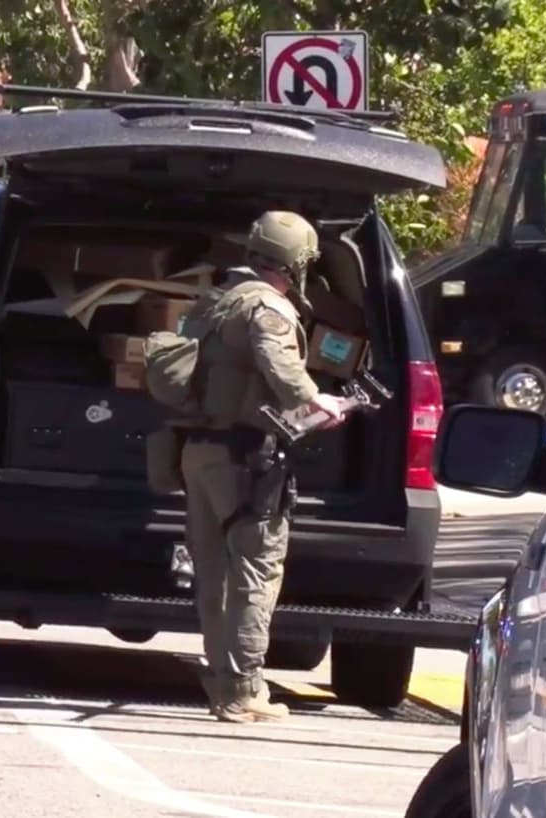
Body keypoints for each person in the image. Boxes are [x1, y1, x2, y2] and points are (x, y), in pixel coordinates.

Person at [177, 211, 345, 723]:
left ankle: (221, 678)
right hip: (244, 456)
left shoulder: (217, 298)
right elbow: (284, 372)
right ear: (294, 264)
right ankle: (244, 690)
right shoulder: (267, 308)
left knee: (214, 573)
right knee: (256, 569)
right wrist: (324, 403)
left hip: (200, 451)